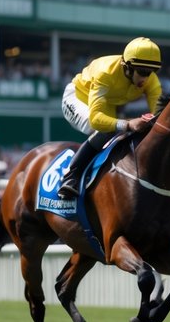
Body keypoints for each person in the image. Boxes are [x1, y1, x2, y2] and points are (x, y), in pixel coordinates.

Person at [56, 37, 163, 200]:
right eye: (142, 72)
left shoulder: (150, 80)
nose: (146, 78)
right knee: (103, 129)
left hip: (108, 104)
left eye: (151, 72)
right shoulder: (105, 72)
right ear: (127, 67)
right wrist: (128, 124)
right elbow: (96, 119)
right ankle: (72, 177)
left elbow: (160, 115)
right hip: (78, 98)